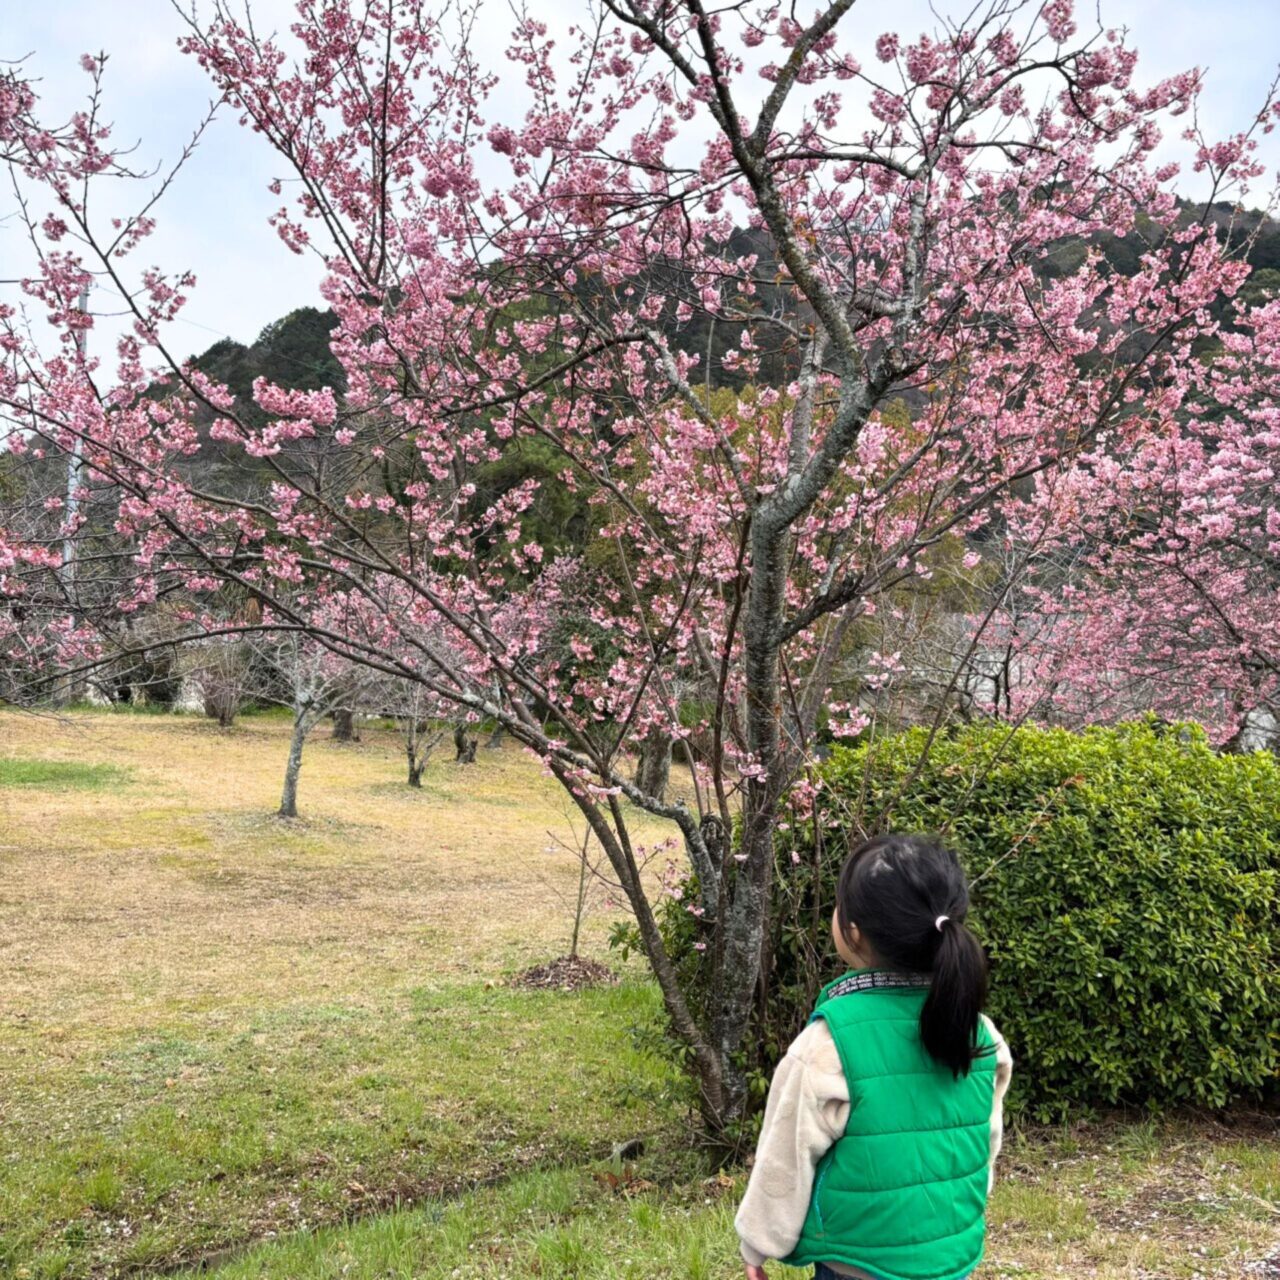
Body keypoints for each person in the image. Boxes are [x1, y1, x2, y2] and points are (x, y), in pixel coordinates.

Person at [735, 833, 1013, 1280]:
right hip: (950, 1259)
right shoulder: (977, 1031)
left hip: (858, 1266)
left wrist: (757, 1244)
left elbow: (785, 1155)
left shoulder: (830, 1041)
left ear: (854, 932)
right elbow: (984, 1140)